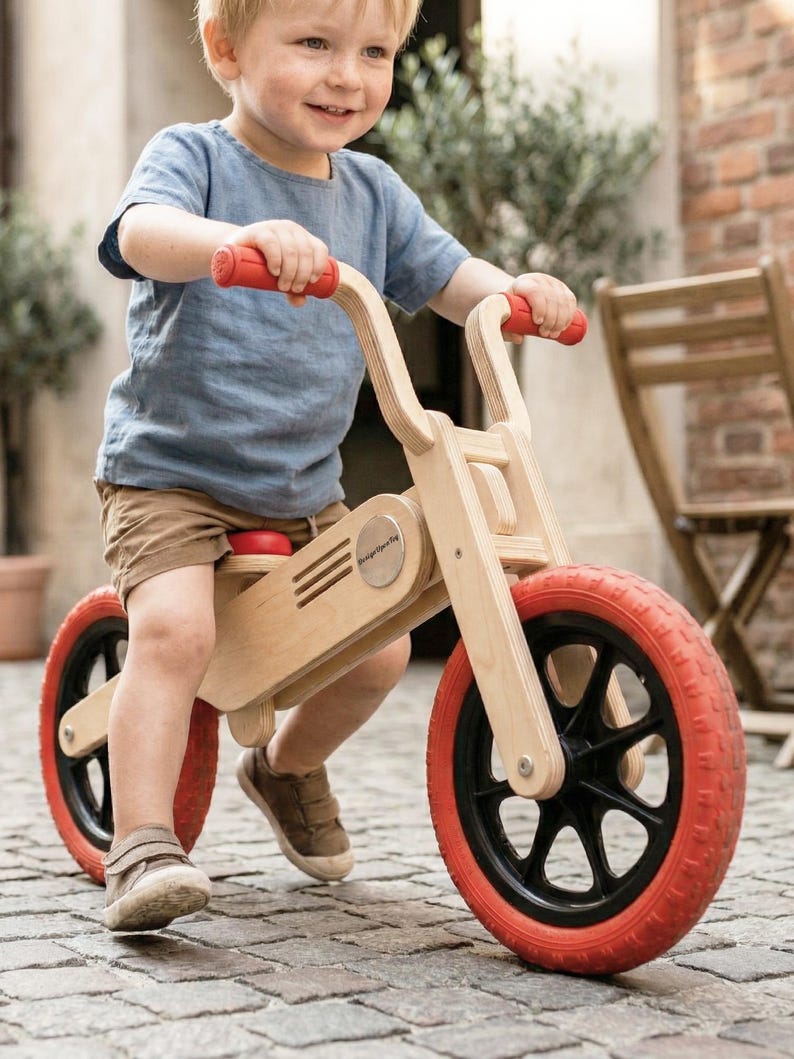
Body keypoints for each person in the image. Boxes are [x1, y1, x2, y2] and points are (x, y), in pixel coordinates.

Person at [96, 0, 578, 933]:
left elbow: (446, 274)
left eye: (375, 52)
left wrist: (513, 294)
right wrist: (231, 243)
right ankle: (143, 843)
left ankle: (281, 767)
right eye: (313, 44)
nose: (347, 76)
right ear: (226, 48)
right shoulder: (195, 157)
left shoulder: (374, 194)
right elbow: (138, 233)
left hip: (302, 487)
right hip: (172, 472)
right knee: (174, 634)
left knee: (378, 651)